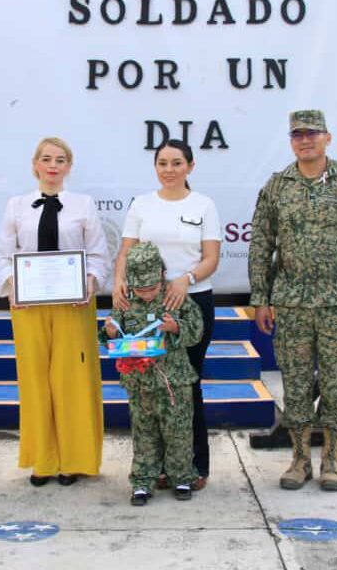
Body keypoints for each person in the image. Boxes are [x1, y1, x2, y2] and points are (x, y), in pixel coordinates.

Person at [248, 109, 337, 492]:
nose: (304, 140)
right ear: (291, 141)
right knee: (297, 384)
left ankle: (333, 461)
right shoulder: (277, 187)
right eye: (297, 135)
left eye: (312, 134)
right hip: (290, 303)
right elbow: (261, 245)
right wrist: (261, 298)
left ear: (328, 137)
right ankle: (300, 459)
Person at [0, 136, 109, 487]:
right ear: (35, 164)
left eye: (60, 160)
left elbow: (98, 254)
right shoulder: (16, 205)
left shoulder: (83, 205)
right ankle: (42, 461)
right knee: (35, 380)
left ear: (69, 167)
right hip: (29, 308)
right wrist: (13, 287)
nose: (53, 165)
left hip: (73, 306)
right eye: (46, 159)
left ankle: (73, 460)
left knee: (71, 380)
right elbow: (4, 256)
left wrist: (89, 284)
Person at [112, 140, 220, 491]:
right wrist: (118, 285)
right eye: (162, 163)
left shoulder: (204, 205)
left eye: (176, 163)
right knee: (149, 394)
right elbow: (126, 251)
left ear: (190, 166)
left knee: (187, 388)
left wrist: (185, 280)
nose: (169, 169)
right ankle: (153, 469)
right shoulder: (142, 205)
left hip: (190, 303)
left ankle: (193, 467)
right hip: (143, 307)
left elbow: (210, 258)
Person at [102, 242, 203, 506]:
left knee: (178, 432)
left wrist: (176, 327)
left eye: (151, 287)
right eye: (141, 289)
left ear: (161, 276)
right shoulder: (124, 302)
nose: (146, 294)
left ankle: (181, 477)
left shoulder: (176, 298)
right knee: (144, 434)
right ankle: (142, 482)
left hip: (174, 380)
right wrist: (109, 331)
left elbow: (196, 332)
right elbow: (108, 335)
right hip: (140, 384)